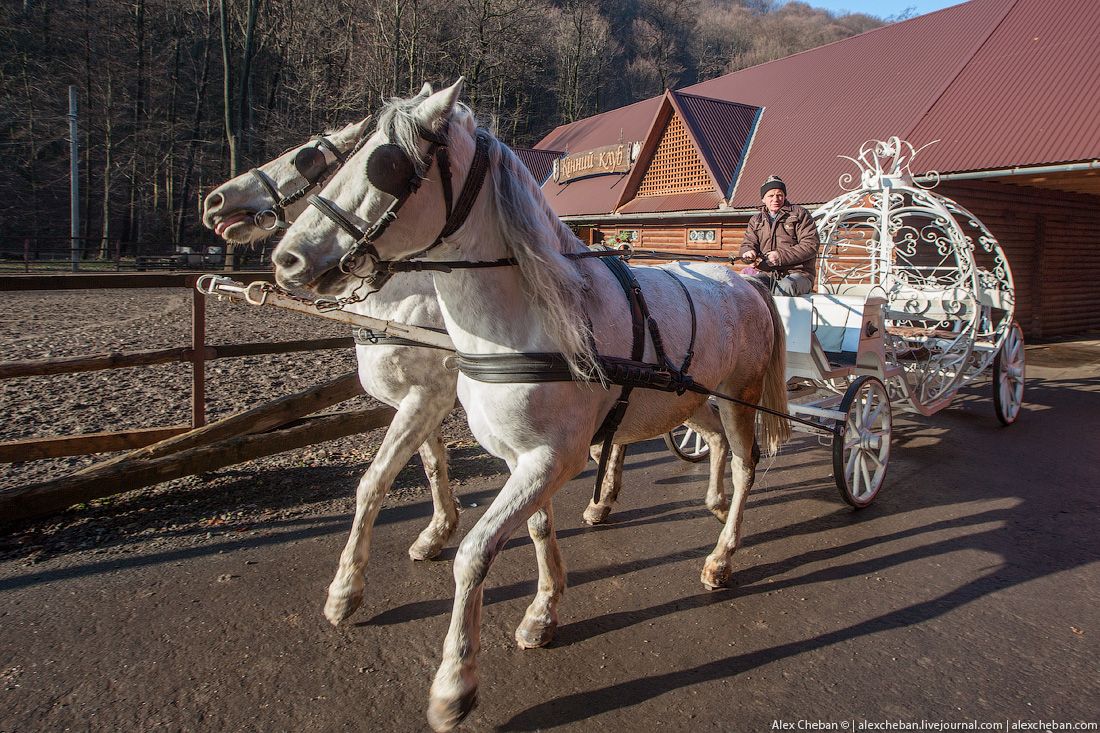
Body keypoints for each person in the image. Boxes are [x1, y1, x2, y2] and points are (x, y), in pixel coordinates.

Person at [739, 175, 820, 296]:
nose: (775, 199)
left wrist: (780, 256)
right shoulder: (756, 220)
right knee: (747, 287)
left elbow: (811, 245)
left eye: (779, 195)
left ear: (785, 196)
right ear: (763, 199)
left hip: (799, 274)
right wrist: (748, 252)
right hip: (768, 274)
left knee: (783, 288)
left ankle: (778, 316)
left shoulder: (799, 214)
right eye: (771, 195)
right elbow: (748, 243)